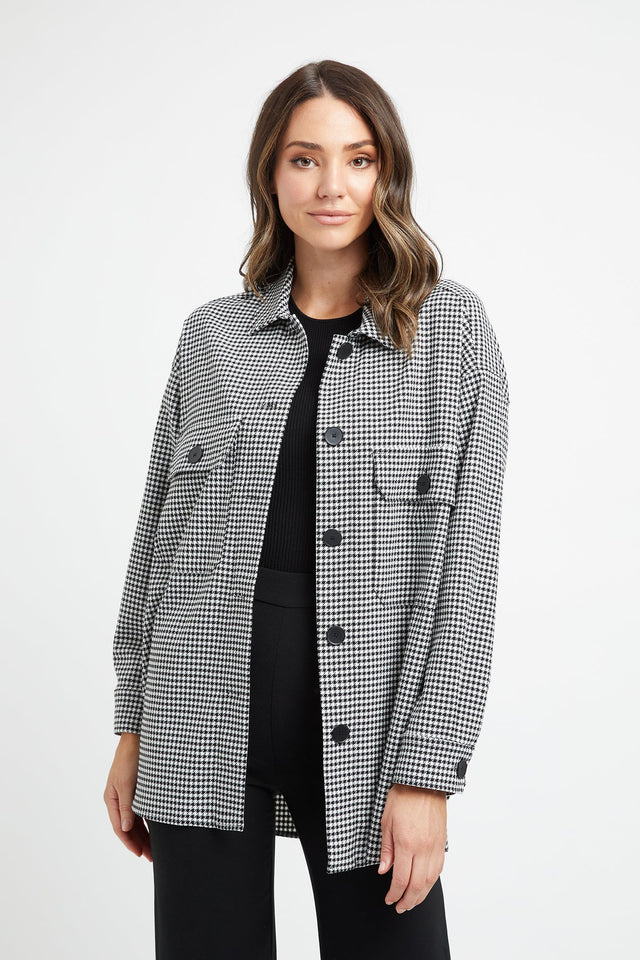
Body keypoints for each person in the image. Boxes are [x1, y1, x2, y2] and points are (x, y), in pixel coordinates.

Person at [104, 59, 510, 960]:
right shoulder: (213, 336)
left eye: (358, 159)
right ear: (270, 174)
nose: (332, 186)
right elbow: (156, 542)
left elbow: (467, 572)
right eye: (304, 159)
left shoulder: (451, 334)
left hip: (371, 732)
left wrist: (428, 775)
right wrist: (131, 727)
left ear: (387, 173)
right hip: (196, 715)